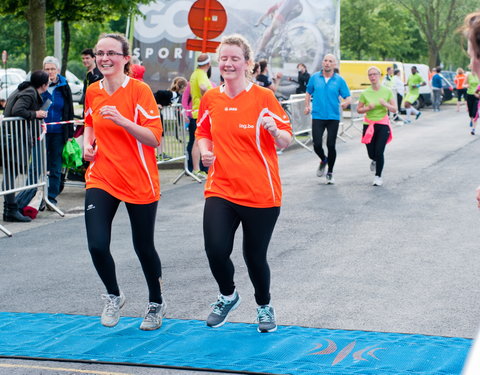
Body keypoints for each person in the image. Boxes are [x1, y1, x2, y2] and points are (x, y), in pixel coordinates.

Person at [196, 34, 292, 333]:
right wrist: (204, 152)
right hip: (221, 187)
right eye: (223, 58)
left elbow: (287, 141)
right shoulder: (211, 97)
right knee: (215, 249)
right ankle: (228, 295)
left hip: (260, 192)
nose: (228, 63)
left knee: (254, 257)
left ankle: (264, 306)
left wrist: (275, 131)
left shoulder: (263, 98)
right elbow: (203, 132)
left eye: (235, 58)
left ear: (247, 63)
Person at [83, 33, 165, 331]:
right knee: (97, 244)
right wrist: (86, 145)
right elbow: (90, 122)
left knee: (143, 246)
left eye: (112, 53)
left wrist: (122, 120)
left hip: (138, 179)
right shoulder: (93, 91)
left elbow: (155, 138)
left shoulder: (140, 92)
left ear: (125, 58)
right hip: (102, 176)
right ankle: (113, 295)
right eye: (100, 52)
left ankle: (156, 302)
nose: (105, 58)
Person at [2, 71, 49, 222]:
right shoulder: (29, 92)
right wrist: (37, 114)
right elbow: (18, 111)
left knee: (10, 173)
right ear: (44, 84)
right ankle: (10, 210)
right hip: (15, 139)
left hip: (13, 137)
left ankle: (10, 209)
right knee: (10, 174)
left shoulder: (24, 89)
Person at [304, 54, 351, 184]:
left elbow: (348, 96)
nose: (327, 63)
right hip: (318, 115)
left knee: (331, 145)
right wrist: (307, 106)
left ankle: (330, 172)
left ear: (334, 64)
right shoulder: (315, 78)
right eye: (325, 60)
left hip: (333, 116)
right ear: (322, 63)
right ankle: (323, 159)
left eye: (330, 61)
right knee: (317, 144)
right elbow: (308, 92)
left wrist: (345, 102)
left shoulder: (339, 80)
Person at [42, 56, 74, 206]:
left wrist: (69, 134)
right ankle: (37, 197)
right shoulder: (39, 85)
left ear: (58, 70)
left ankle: (52, 198)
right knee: (40, 165)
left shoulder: (64, 85)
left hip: (59, 132)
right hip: (41, 132)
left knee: (55, 165)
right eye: (47, 69)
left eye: (52, 69)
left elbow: (69, 109)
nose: (50, 72)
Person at [356, 67, 397, 187]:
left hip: (382, 124)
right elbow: (359, 109)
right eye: (370, 75)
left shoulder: (387, 91)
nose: (372, 77)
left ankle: (378, 176)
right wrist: (368, 108)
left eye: (375, 74)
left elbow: (395, 109)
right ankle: (374, 160)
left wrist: (385, 104)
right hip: (368, 124)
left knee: (379, 151)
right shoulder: (365, 93)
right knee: (371, 153)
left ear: (379, 75)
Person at [188, 53, 212, 179]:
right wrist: (211, 97)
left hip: (198, 111)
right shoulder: (201, 74)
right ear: (208, 64)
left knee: (197, 141)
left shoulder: (195, 73)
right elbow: (203, 87)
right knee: (198, 142)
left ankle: (198, 169)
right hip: (200, 112)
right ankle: (196, 169)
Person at [154, 76, 188, 159]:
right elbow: (159, 93)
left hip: (158, 113)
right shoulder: (173, 93)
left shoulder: (176, 95)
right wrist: (155, 104)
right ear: (183, 87)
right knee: (159, 134)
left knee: (161, 134)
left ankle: (160, 153)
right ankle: (160, 154)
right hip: (155, 112)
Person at [465, 69, 479, 134]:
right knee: (471, 112)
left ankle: (473, 129)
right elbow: (463, 84)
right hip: (469, 95)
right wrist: (466, 86)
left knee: (475, 112)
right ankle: (471, 119)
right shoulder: (468, 75)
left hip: (477, 96)